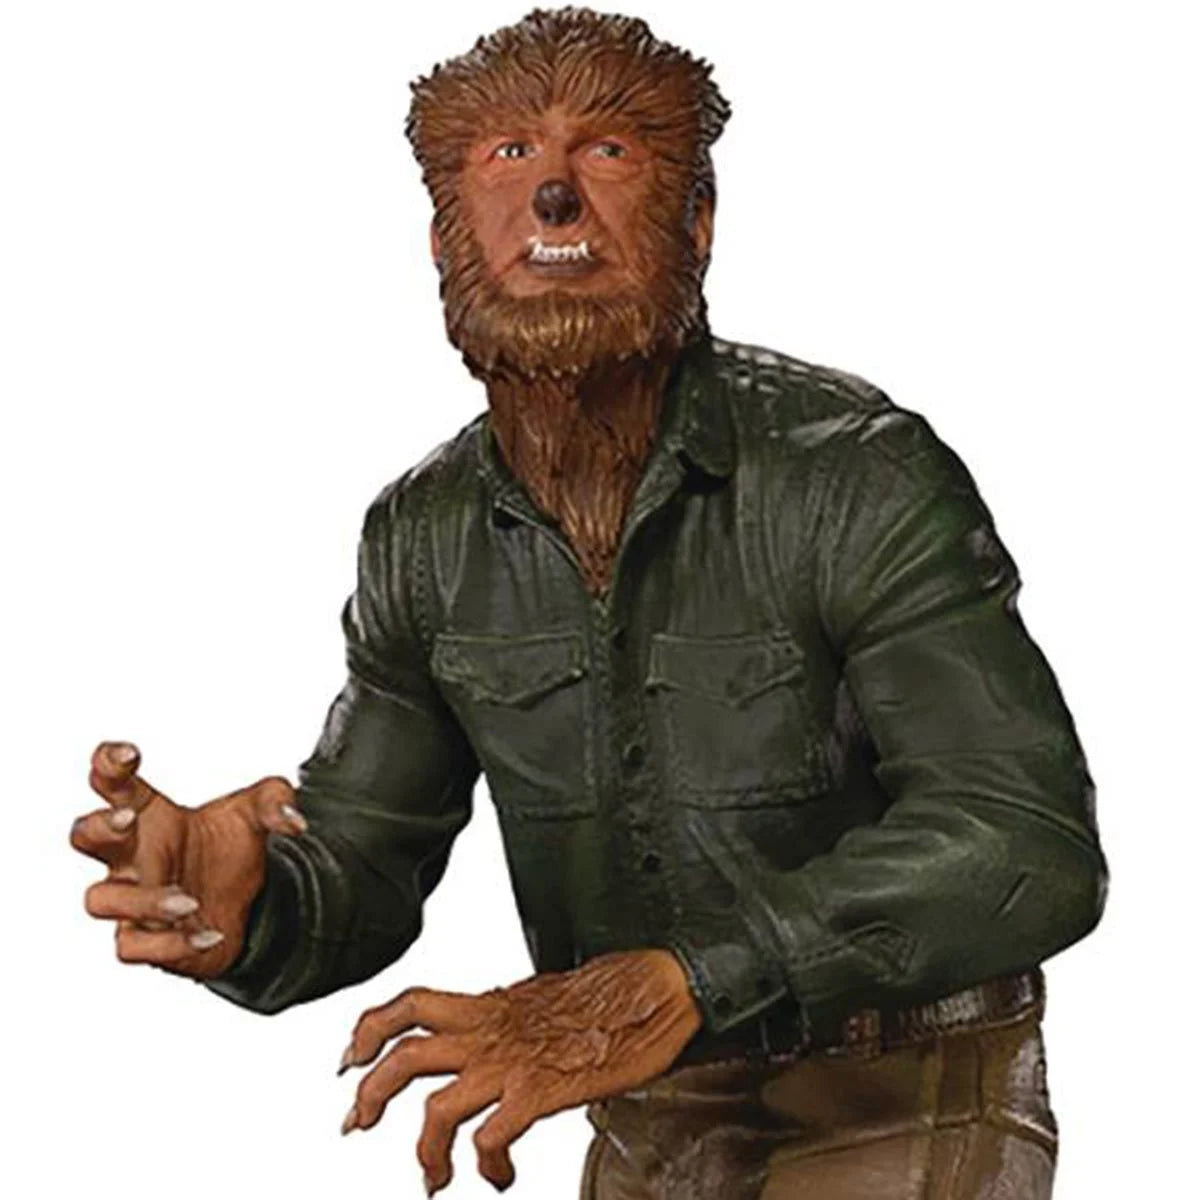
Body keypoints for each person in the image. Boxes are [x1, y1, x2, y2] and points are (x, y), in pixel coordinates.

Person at [69, 8, 1106, 1197]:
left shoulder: (852, 474)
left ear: (697, 218)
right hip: (644, 1101)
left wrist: (689, 981)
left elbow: (1024, 841)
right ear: (443, 234)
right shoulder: (424, 535)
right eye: (509, 154)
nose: (554, 195)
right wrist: (247, 904)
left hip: (897, 1080)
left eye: (607, 151)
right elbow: (363, 863)